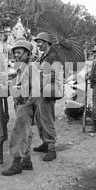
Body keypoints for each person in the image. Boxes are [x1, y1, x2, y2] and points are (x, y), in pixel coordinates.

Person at [2, 39, 36, 176]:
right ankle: (27, 161)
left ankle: (16, 163)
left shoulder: (32, 68)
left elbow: (36, 90)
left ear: (27, 53)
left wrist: (27, 104)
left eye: (19, 52)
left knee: (19, 133)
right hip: (20, 103)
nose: (16, 55)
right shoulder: (21, 67)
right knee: (26, 133)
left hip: (25, 104)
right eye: (15, 53)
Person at [30, 32, 64, 162]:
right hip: (42, 90)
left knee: (47, 119)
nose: (37, 45)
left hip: (49, 90)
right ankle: (45, 142)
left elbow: (53, 75)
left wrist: (39, 75)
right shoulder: (45, 56)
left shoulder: (54, 57)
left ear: (46, 42)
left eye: (39, 42)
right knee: (39, 117)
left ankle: (51, 148)